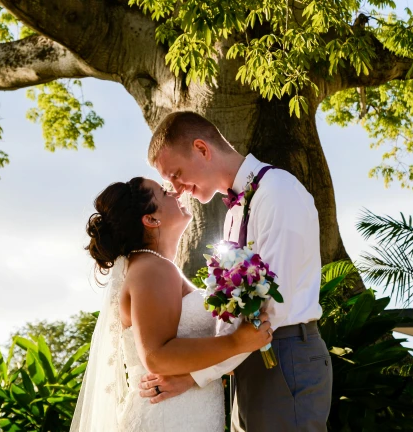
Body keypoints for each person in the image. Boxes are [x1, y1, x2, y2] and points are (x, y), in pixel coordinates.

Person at [139, 111, 333, 432]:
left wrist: (195, 375)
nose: (176, 189)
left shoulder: (277, 191)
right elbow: (232, 310)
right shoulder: (233, 215)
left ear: (202, 149)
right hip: (248, 360)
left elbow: (272, 308)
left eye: (176, 174)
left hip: (284, 357)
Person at [70, 177, 273, 431]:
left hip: (180, 411)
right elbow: (157, 356)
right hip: (169, 417)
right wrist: (236, 342)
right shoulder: (152, 268)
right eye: (164, 192)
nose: (176, 192)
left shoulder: (153, 267)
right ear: (151, 219)